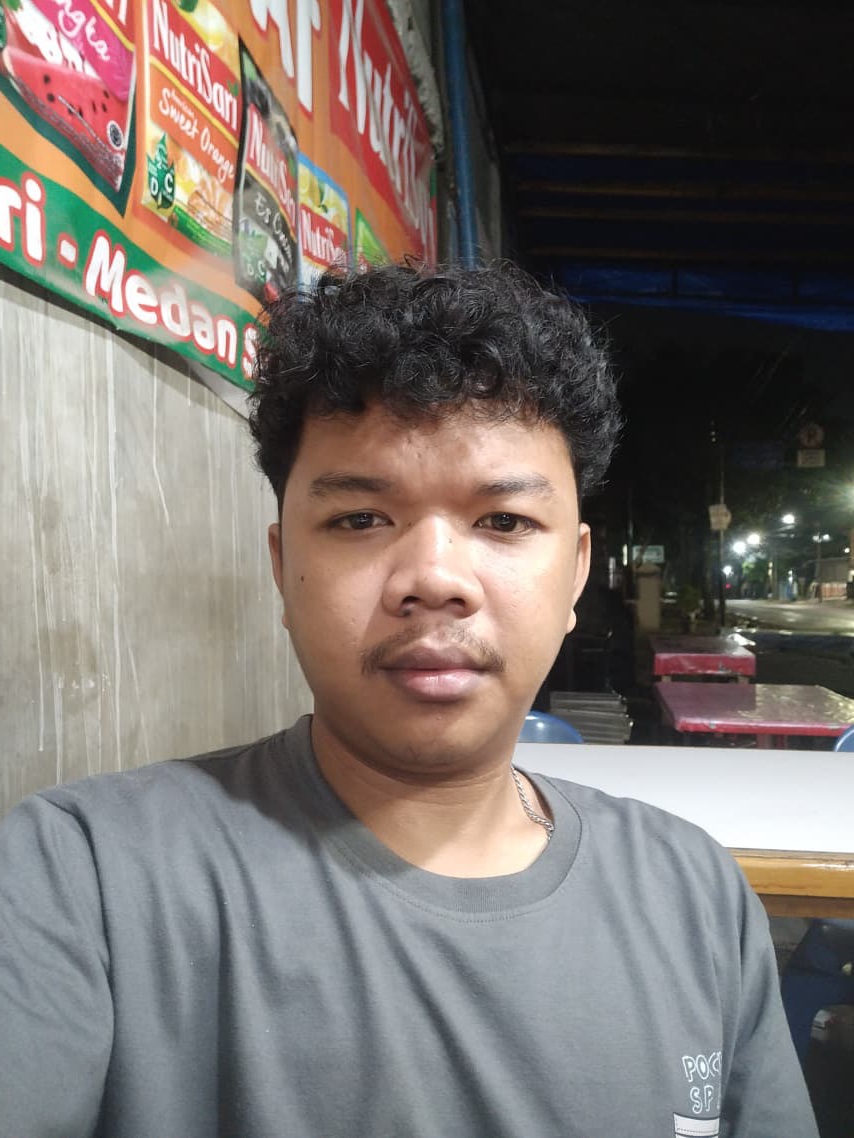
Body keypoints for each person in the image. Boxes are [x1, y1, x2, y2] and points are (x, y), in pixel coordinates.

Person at [0, 262, 817, 1137]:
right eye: (360, 519)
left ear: (576, 572)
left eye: (503, 522)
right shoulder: (80, 878)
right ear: (282, 565)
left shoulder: (693, 893)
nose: (434, 579)